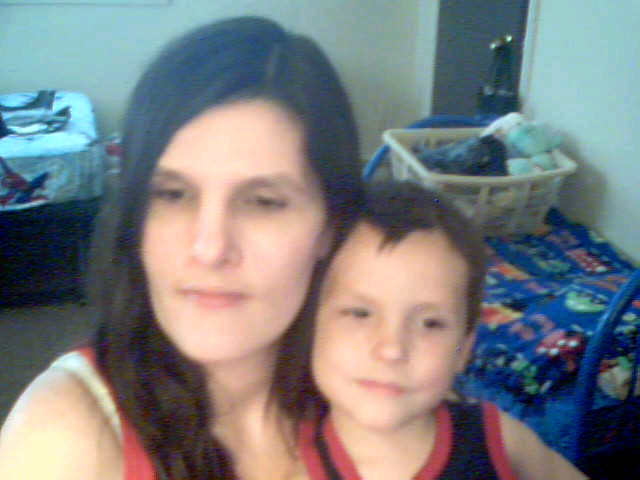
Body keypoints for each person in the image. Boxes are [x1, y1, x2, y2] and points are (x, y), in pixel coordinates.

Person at [0, 16, 363, 480]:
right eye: (173, 195)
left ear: (330, 224)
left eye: (263, 202)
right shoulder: (61, 441)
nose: (210, 248)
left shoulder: (384, 395)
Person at [298, 181, 588, 480]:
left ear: (464, 348)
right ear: (309, 327)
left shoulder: (500, 440)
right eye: (360, 313)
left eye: (430, 323)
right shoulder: (280, 460)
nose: (392, 349)